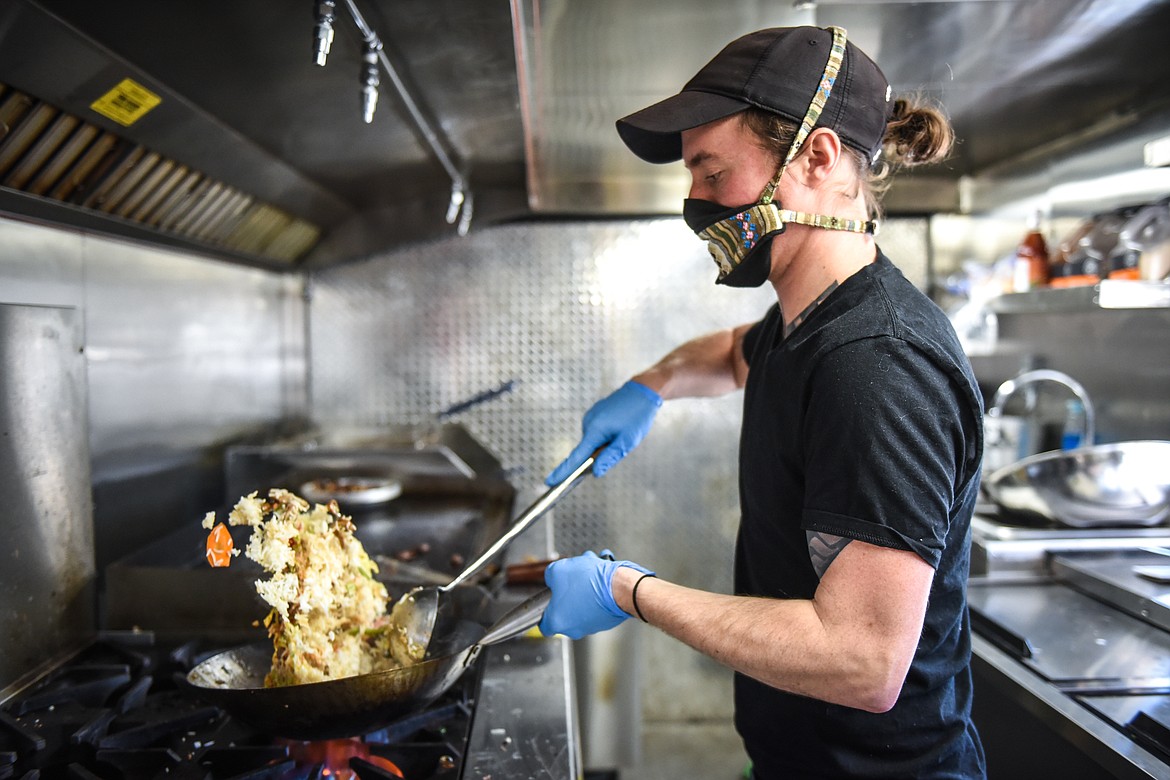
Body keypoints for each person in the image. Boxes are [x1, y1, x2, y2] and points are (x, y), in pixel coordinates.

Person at [539, 25, 987, 779]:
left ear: (816, 157)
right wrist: (651, 384)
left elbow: (863, 662)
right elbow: (730, 354)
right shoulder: (807, 322)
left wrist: (630, 592)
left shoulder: (878, 367)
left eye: (713, 174)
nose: (697, 203)